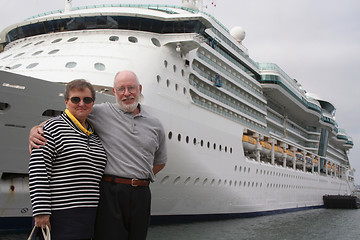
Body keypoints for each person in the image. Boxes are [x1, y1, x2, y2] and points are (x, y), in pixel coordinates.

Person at [29, 70, 168, 240]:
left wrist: (141, 176)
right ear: (114, 92)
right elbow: (70, 116)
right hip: (109, 192)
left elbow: (160, 162)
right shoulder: (101, 112)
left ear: (139, 89)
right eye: (121, 89)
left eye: (131, 88)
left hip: (140, 194)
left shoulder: (155, 124)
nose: (127, 94)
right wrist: (35, 129)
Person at [28, 79, 107, 240]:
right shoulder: (50, 129)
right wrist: (41, 212)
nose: (81, 104)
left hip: (88, 216)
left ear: (93, 103)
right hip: (60, 216)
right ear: (66, 101)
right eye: (75, 99)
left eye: (87, 100)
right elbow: (38, 170)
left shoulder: (94, 135)